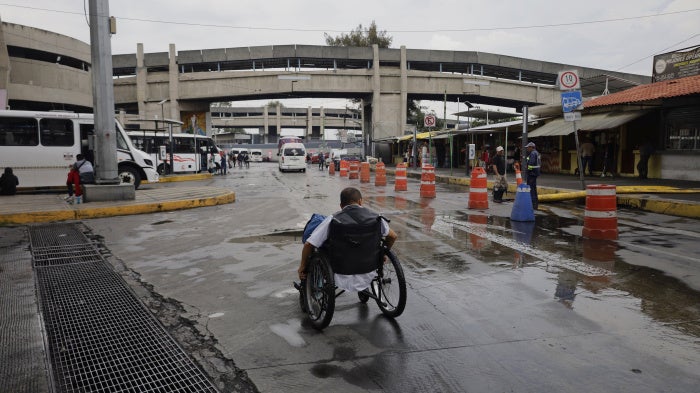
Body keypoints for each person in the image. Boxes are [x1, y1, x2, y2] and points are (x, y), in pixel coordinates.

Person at [297, 187, 398, 292]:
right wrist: (382, 254)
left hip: (341, 275)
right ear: (360, 201)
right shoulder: (376, 218)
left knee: (319, 247)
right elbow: (393, 236)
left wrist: (302, 267)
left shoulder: (333, 220)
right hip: (370, 272)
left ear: (341, 206)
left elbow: (309, 244)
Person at [525, 142, 541, 209]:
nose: (527, 149)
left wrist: (528, 171)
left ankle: (533, 204)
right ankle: (535, 204)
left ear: (531, 147)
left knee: (531, 189)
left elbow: (531, 164)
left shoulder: (533, 153)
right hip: (535, 173)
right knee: (533, 188)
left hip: (532, 173)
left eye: (528, 147)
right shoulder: (536, 153)